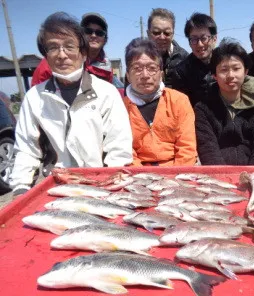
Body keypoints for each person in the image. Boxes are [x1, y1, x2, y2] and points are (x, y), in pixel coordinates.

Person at [10, 12, 133, 196]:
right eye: (53, 48)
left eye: (69, 46)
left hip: (100, 185)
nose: (61, 55)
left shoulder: (107, 93)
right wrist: (20, 188)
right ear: (45, 54)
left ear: (83, 53)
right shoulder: (34, 98)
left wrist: (108, 187)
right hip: (56, 187)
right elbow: (26, 150)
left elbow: (119, 149)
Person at [123, 38, 197, 166]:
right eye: (137, 68)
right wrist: (143, 179)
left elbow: (187, 149)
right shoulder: (119, 108)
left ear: (161, 74)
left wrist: (176, 179)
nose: (145, 75)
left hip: (177, 174)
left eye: (152, 68)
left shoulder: (179, 101)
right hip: (137, 176)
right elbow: (125, 153)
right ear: (128, 75)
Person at [195, 39, 254, 165]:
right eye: (224, 70)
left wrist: (253, 176)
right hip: (218, 177)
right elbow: (208, 149)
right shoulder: (203, 109)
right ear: (214, 75)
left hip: (253, 175)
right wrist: (224, 178)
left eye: (236, 68)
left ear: (245, 72)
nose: (230, 75)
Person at [31, 12, 113, 86]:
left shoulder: (107, 67)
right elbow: (37, 96)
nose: (94, 35)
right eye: (88, 31)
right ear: (80, 36)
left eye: (100, 33)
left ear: (105, 39)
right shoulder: (53, 61)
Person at [172, 13, 217, 106]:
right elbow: (182, 108)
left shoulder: (225, 62)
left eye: (204, 38)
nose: (199, 44)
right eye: (194, 39)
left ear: (214, 38)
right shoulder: (181, 72)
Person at [147, 8, 188, 87]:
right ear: (148, 33)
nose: (162, 37)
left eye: (167, 33)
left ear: (173, 34)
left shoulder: (185, 59)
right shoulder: (137, 59)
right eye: (156, 32)